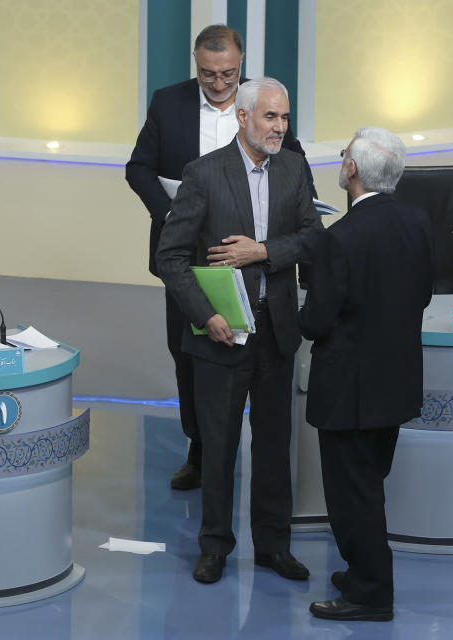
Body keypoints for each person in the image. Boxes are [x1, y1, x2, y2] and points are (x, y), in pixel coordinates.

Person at [126, 24, 316, 491]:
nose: (218, 84)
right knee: (189, 351)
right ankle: (201, 447)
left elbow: (293, 162)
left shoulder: (263, 105)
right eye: (208, 74)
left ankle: (243, 451)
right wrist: (174, 212)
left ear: (241, 64)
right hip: (185, 252)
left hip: (250, 252)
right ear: (196, 65)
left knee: (254, 353)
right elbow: (138, 168)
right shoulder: (168, 102)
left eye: (228, 74)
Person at [156, 78, 318, 584]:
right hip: (222, 333)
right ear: (244, 118)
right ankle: (215, 548)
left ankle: (273, 546)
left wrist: (264, 250)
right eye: (270, 117)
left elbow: (313, 238)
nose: (279, 127)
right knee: (220, 446)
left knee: (273, 448)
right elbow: (170, 257)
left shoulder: (294, 167)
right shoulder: (202, 175)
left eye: (285, 118)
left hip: (277, 332)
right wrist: (206, 316)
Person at [299, 127, 433, 621]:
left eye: (343, 154)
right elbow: (422, 295)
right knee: (369, 484)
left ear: (352, 170)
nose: (339, 158)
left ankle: (370, 594)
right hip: (394, 384)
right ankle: (360, 573)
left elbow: (315, 321)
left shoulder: (341, 238)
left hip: (349, 392)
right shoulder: (417, 222)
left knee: (353, 497)